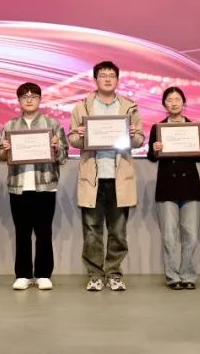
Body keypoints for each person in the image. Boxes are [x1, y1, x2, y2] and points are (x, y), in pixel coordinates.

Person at [67, 61, 144, 292]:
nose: (108, 79)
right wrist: (81, 135)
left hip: (120, 178)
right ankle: (95, 275)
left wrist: (133, 135)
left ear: (117, 80)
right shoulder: (82, 107)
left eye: (112, 75)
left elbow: (139, 140)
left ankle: (114, 274)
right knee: (92, 231)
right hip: (93, 178)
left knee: (118, 232)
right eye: (103, 75)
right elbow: (72, 139)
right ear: (95, 79)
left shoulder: (129, 107)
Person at [0, 82, 68, 291]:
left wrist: (56, 147)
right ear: (19, 101)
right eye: (24, 97)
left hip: (45, 186)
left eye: (33, 96)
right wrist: (5, 150)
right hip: (18, 186)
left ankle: (43, 274)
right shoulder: (10, 126)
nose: (29, 100)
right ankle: (23, 274)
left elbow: (63, 156)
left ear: (40, 99)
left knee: (44, 232)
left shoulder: (52, 124)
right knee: (22, 233)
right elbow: (0, 155)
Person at [146, 86, 200, 290]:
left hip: (189, 186)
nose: (173, 103)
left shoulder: (193, 127)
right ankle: (173, 277)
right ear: (164, 104)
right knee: (169, 236)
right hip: (167, 187)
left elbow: (198, 157)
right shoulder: (158, 128)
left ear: (184, 102)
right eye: (169, 100)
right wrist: (155, 149)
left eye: (177, 99)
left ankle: (188, 276)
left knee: (191, 235)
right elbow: (151, 157)